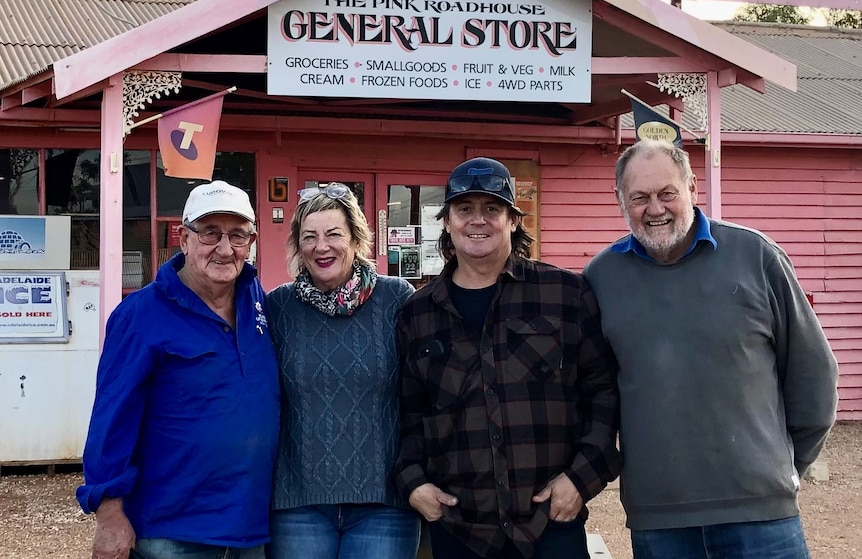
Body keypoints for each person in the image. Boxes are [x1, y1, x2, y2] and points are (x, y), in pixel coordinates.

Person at [582, 138, 839, 559]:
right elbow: (595, 391)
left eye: (667, 193)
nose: (655, 208)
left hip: (762, 516)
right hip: (659, 521)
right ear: (620, 201)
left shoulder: (756, 257)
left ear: (692, 188)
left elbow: (814, 376)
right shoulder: (601, 278)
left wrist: (785, 467)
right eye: (640, 197)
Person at [393, 157, 622, 559]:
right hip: (459, 528)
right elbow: (408, 413)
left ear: (513, 220)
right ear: (446, 221)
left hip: (550, 524)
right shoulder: (418, 313)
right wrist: (413, 483)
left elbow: (603, 394)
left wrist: (581, 479)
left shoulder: (566, 294)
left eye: (492, 209)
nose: (477, 220)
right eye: (464, 209)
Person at [76, 180, 280, 559]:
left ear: (250, 243)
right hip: (171, 531)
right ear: (184, 239)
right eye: (210, 233)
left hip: (249, 528)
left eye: (237, 235)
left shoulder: (260, 305)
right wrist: (109, 514)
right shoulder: (140, 315)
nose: (224, 248)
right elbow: (111, 418)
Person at [266, 183, 421, 559]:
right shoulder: (278, 307)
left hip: (384, 502)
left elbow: (423, 392)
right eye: (310, 237)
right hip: (298, 503)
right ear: (297, 246)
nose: (322, 246)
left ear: (355, 237)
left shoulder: (396, 299)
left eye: (334, 234)